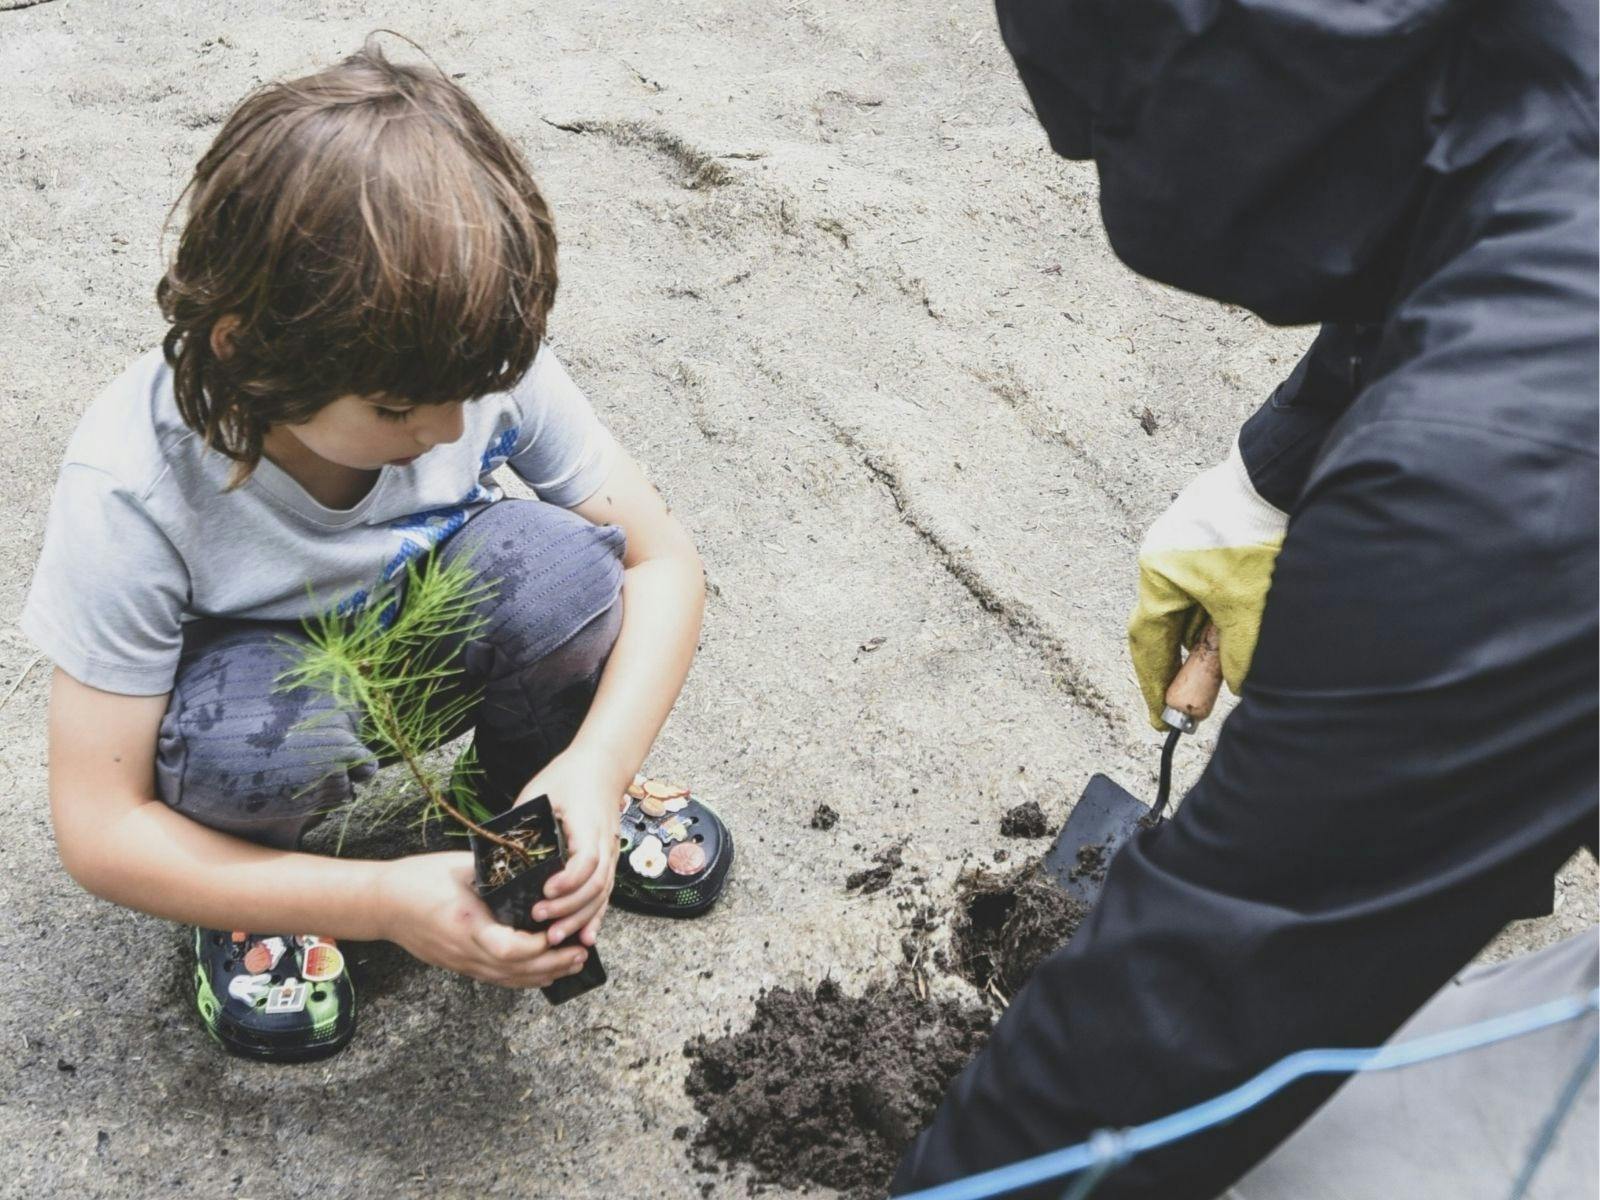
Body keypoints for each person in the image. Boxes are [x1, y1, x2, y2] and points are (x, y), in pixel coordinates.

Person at [893, 0, 1597, 1196]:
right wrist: (1272, 475)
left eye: (1116, 131)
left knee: (1308, 1152)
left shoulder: (1500, 465)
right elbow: (1467, 181)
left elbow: (1201, 1004)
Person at [24, 40, 731, 1062]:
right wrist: (376, 899)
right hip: (264, 719)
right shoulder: (131, 481)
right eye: (399, 408)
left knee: (569, 568)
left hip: (424, 640)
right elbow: (100, 823)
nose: (448, 431)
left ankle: (534, 819)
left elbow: (662, 566)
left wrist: (597, 765)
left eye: (474, 389)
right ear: (245, 348)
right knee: (248, 739)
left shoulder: (457, 356)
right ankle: (254, 887)